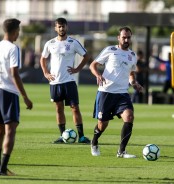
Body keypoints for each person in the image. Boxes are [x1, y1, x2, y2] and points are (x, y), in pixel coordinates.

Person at [0, 18, 33, 176]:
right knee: (10, 129)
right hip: (8, 92)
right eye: (19, 30)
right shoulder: (13, 48)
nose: (19, 33)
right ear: (15, 31)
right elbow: (14, 74)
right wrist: (25, 96)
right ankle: (3, 168)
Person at [89, 26, 143, 158]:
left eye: (128, 37)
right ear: (118, 38)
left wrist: (134, 83)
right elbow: (93, 65)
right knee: (102, 124)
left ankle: (121, 151)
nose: (126, 39)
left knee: (129, 117)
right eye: (123, 37)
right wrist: (98, 75)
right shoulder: (110, 50)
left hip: (122, 94)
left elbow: (131, 73)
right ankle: (94, 141)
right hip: (106, 92)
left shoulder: (132, 55)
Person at [40, 17, 91, 144]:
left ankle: (82, 136)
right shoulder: (50, 43)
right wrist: (46, 72)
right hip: (55, 82)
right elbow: (43, 58)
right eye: (59, 26)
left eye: (63, 26)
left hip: (69, 81)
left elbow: (86, 56)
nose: (61, 28)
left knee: (75, 108)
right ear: (55, 28)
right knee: (59, 109)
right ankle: (63, 136)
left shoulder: (73, 42)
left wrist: (77, 69)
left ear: (66, 27)